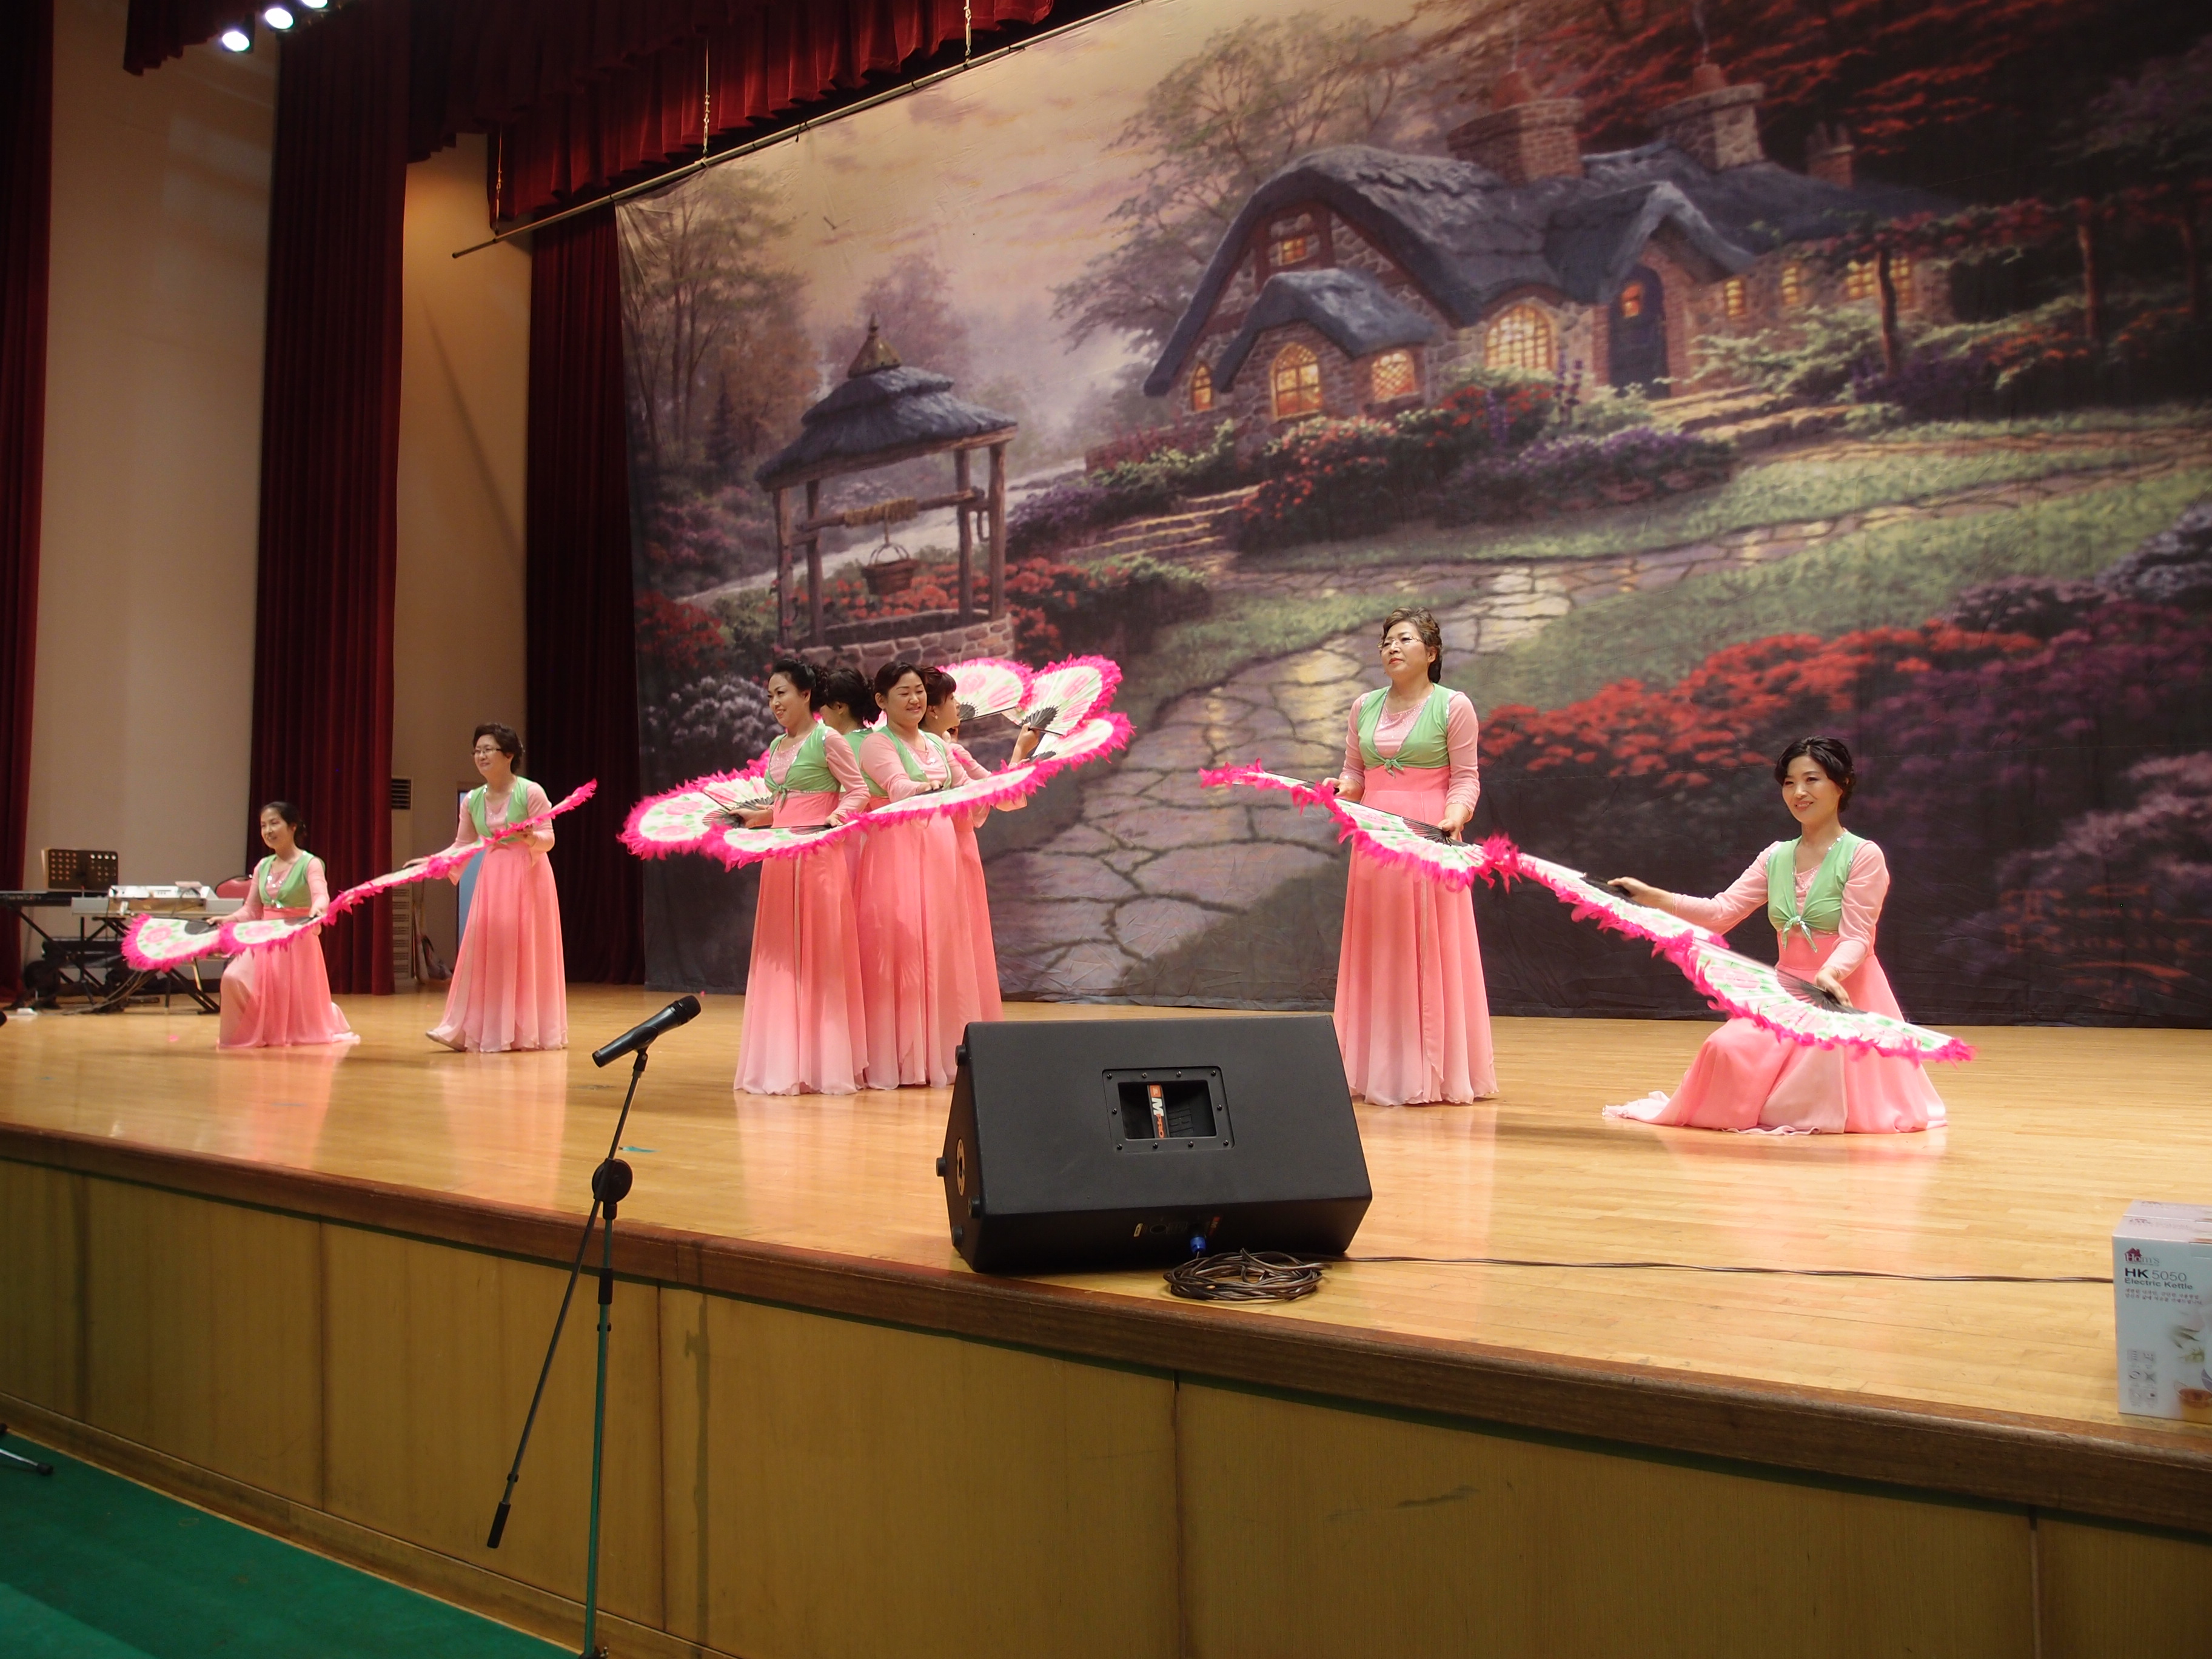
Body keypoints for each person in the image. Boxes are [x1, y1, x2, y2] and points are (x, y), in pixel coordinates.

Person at [1604, 736, 1947, 1134]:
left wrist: (1830, 973)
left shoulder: (1863, 855)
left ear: (1842, 784)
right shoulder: (1776, 856)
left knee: (1816, 1078)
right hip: (1787, 992)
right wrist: (1654, 897)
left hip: (1843, 991)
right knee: (1724, 1049)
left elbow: (1858, 937)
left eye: (1812, 780)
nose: (1799, 792)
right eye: (1789, 782)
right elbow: (1721, 913)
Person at [1319, 608, 1495, 1106]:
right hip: (1376, 842)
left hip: (1428, 839)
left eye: (1404, 640)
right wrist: (1343, 788)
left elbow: (1465, 777)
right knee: (1382, 947)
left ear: (1431, 653)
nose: (1392, 648)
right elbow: (1356, 773)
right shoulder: (1364, 706)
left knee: (1428, 949)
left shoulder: (1453, 706)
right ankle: (1381, 1067)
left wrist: (1455, 815)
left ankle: (1433, 1069)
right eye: (1387, 642)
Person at [850, 661, 1007, 1087]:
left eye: (919, 690)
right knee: (904, 946)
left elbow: (967, 790)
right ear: (882, 701)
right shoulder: (877, 744)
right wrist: (933, 789)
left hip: (941, 854)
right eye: (904, 692)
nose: (915, 699)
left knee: (943, 946)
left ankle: (942, 1051)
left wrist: (1001, 784)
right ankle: (904, 1058)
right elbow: (899, 788)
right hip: (896, 852)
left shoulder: (938, 743)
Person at [732, 660, 872, 1096]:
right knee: (781, 952)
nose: (775, 703)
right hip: (780, 859)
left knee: (819, 952)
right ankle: (782, 1062)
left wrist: (836, 818)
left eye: (782, 693)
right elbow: (782, 804)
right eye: (770, 696)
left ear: (806, 694)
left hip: (817, 856)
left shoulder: (828, 739)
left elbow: (858, 791)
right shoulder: (777, 745)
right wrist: (757, 817)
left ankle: (822, 1062)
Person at [426, 723, 567, 1053]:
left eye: (488, 749)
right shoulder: (473, 799)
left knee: (523, 947)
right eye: (477, 751)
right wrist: (436, 862)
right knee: (488, 947)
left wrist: (530, 837)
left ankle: (524, 1029)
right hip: (493, 875)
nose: (481, 756)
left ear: (509, 755)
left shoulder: (531, 792)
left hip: (528, 873)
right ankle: (477, 1028)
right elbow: (463, 844)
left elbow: (548, 838)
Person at [218, 801, 357, 1050]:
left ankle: (286, 1030)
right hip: (265, 937)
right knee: (233, 977)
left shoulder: (310, 863)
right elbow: (252, 909)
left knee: (287, 992)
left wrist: (318, 910)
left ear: (293, 827)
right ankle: (252, 1031)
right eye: (263, 826)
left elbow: (321, 896)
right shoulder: (263, 866)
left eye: (274, 823)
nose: (268, 831)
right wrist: (228, 919)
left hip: (297, 937)